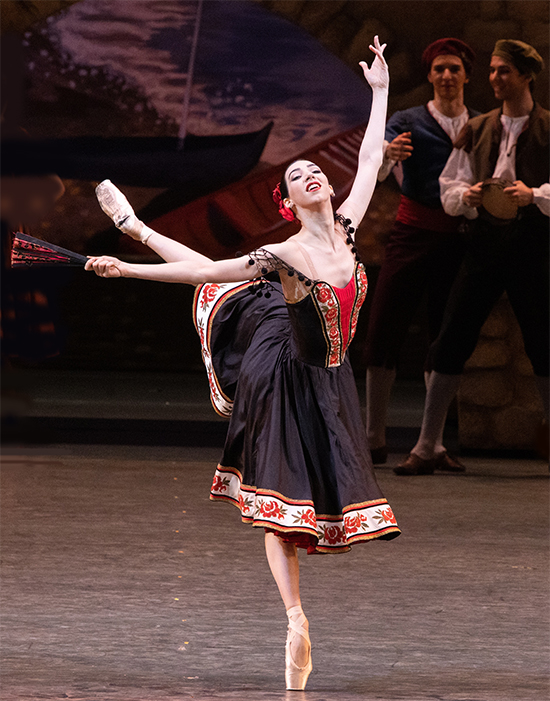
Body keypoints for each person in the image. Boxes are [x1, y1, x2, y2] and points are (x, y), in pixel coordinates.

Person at [86, 37, 400, 691]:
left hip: (328, 377)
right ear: (287, 203)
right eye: (295, 176)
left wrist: (379, 92)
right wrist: (131, 268)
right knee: (277, 507)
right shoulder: (284, 253)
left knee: (316, 506)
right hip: (280, 375)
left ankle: (136, 228)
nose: (310, 175)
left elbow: (372, 158)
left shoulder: (344, 228)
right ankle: (294, 621)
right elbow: (206, 267)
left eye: (315, 171)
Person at [395, 39, 549, 475]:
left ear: (526, 76)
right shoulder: (478, 128)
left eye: (504, 71)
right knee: (452, 339)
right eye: (494, 70)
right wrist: (470, 194)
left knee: (544, 344)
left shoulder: (547, 128)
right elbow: (449, 188)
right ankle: (427, 445)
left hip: (532, 246)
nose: (496, 78)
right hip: (483, 245)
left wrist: (533, 194)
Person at [364, 38, 478, 469]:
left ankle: (433, 442)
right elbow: (372, 169)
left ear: (466, 75)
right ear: (430, 76)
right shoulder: (407, 121)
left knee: (444, 338)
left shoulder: (482, 124)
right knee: (384, 328)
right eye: (439, 70)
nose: (446, 76)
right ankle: (374, 436)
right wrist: (387, 156)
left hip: (460, 239)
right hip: (412, 234)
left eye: (454, 69)